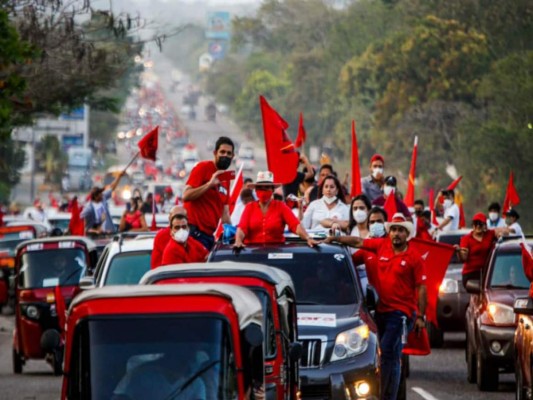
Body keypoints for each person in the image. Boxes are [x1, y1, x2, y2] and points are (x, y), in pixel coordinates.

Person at [324, 212, 427, 400]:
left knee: (388, 352)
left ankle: (387, 396)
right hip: (380, 311)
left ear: (407, 234)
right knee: (387, 355)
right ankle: (383, 392)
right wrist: (336, 239)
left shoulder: (414, 257)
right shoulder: (381, 245)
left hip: (402, 313)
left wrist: (420, 316)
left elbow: (421, 288)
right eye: (394, 230)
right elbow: (357, 242)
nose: (396, 234)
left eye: (401, 231)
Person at [234, 171, 319, 247]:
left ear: (272, 190)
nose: (263, 191)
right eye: (260, 188)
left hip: (276, 252)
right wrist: (238, 241)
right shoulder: (250, 207)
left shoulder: (280, 206)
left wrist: (307, 238)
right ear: (256, 190)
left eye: (267, 188)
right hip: (253, 253)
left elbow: (295, 225)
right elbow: (242, 227)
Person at [183, 136, 235, 250]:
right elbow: (186, 196)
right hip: (194, 233)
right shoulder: (203, 168)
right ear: (215, 153)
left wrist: (234, 233)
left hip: (209, 236)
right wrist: (209, 185)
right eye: (222, 152)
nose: (225, 155)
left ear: (233, 156)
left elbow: (225, 214)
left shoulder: (225, 180)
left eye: (228, 153)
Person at [456, 212, 500, 288]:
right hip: (471, 273)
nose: (478, 226)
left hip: (486, 272)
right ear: (473, 225)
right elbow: (464, 258)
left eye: (480, 224)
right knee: (476, 293)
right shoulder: (466, 239)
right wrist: (458, 251)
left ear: (485, 225)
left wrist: (500, 235)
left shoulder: (489, 234)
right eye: (476, 223)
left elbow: (503, 231)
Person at [81, 171, 125, 236]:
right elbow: (84, 226)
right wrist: (96, 231)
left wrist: (119, 177)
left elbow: (112, 188)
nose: (102, 195)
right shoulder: (88, 208)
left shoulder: (103, 199)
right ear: (95, 196)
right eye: (100, 194)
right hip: (95, 238)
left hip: (109, 234)